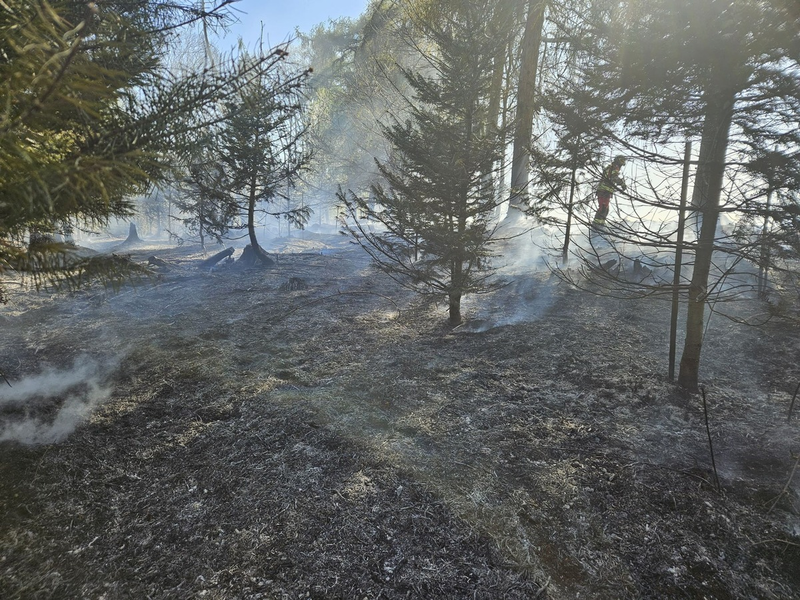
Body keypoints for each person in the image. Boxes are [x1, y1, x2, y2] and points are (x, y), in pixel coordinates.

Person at [593, 155, 627, 228]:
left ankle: (600, 224)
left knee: (605, 208)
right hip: (604, 191)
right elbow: (614, 178)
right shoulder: (614, 167)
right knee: (603, 208)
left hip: (606, 191)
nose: (622, 164)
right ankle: (597, 226)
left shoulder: (612, 167)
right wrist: (622, 183)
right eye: (622, 161)